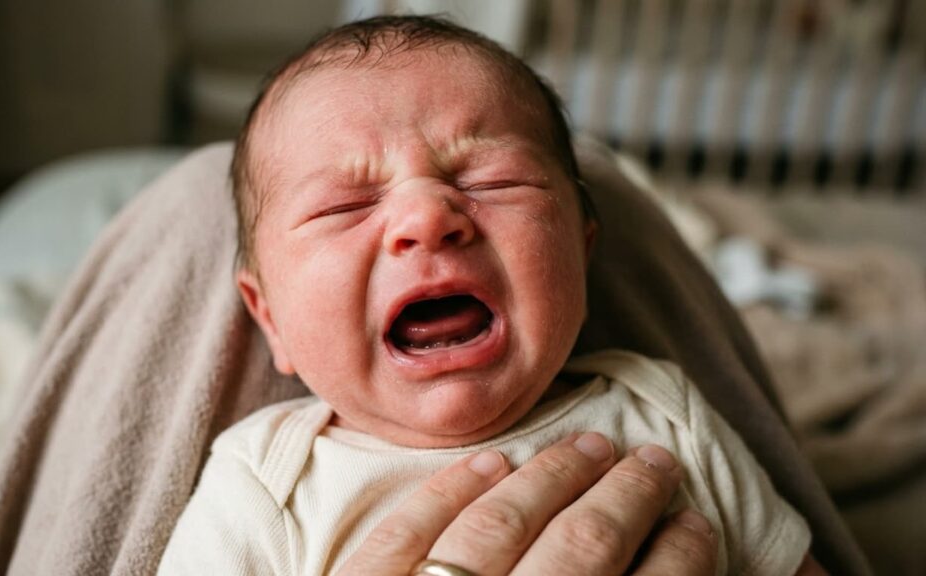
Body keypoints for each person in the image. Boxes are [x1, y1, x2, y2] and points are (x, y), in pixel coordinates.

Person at [159, 15, 822, 576]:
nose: (426, 216)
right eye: (344, 206)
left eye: (495, 179)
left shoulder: (662, 412)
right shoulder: (265, 480)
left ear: (582, 259)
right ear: (270, 319)